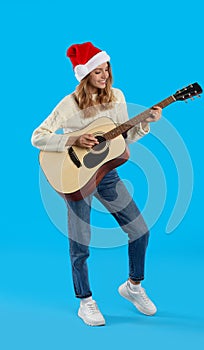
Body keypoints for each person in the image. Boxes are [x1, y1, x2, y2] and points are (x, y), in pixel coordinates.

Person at [31, 42, 162, 327]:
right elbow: (37, 137)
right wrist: (72, 139)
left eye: (107, 70)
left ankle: (133, 286)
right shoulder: (69, 105)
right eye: (98, 71)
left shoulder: (117, 97)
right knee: (81, 243)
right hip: (75, 176)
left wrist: (146, 123)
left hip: (106, 174)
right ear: (86, 73)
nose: (104, 76)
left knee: (140, 230)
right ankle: (85, 301)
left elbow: (120, 140)